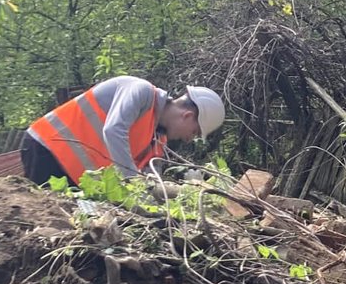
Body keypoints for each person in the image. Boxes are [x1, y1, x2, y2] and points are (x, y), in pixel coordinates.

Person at [23, 76, 225, 195]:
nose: (189, 139)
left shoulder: (157, 142)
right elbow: (113, 130)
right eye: (194, 132)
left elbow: (149, 183)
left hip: (74, 175)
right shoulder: (141, 92)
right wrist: (132, 181)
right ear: (187, 115)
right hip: (47, 149)